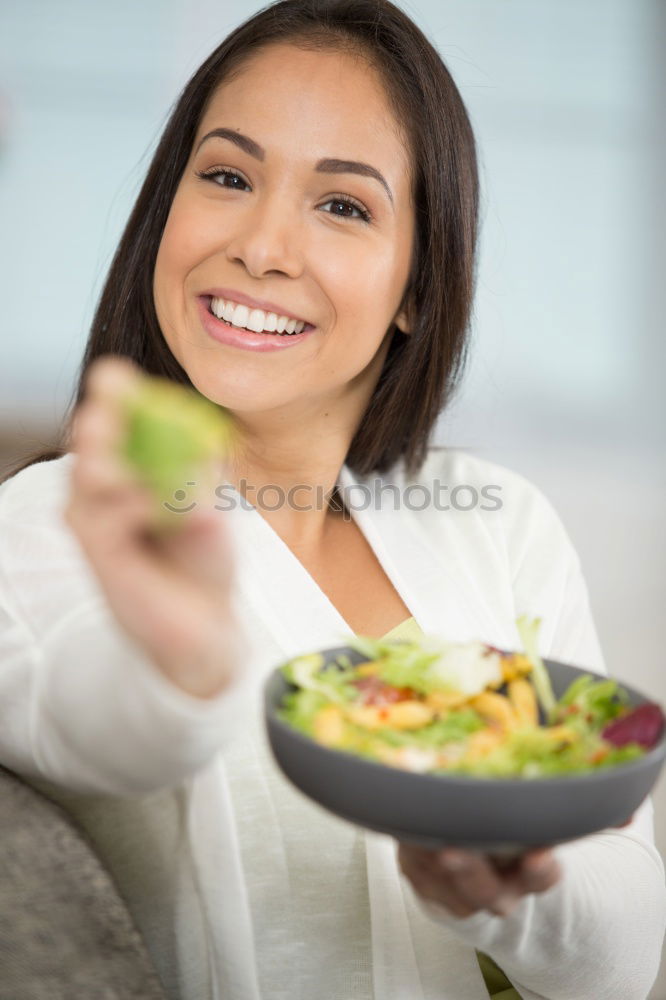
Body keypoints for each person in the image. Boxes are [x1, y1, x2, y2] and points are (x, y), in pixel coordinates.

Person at [1, 1, 664, 998]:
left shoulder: (502, 521)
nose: (263, 246)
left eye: (344, 205)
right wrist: (181, 661)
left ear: (418, 288)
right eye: (226, 176)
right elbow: (90, 722)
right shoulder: (51, 525)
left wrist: (520, 889)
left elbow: (627, 952)